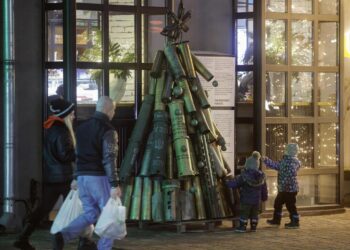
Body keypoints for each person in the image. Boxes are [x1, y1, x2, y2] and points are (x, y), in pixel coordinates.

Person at [53, 96, 122, 250]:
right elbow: (109, 158)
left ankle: (63, 235)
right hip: (99, 178)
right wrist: (114, 184)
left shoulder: (81, 128)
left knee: (91, 213)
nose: (114, 113)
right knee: (109, 215)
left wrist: (76, 176)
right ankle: (104, 248)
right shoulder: (108, 130)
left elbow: (78, 154)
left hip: (83, 178)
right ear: (109, 110)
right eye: (114, 110)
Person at [13, 99, 76, 250]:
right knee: (78, 208)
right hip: (64, 177)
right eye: (72, 113)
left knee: (42, 209)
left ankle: (23, 238)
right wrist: (78, 153)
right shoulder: (62, 130)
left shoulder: (51, 127)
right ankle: (83, 241)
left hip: (51, 176)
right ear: (65, 114)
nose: (74, 116)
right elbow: (64, 155)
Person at [226, 151, 268, 233]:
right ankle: (253, 227)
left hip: (246, 200)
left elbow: (236, 183)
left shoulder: (244, 176)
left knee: (244, 213)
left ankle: (242, 227)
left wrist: (227, 183)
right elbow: (264, 188)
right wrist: (264, 197)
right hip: (256, 201)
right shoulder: (261, 177)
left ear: (247, 165)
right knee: (254, 214)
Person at [263, 143, 301, 229]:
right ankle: (276, 220)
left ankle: (295, 221)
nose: (285, 150)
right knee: (278, 203)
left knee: (290, 205)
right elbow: (279, 166)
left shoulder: (290, 161)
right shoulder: (290, 160)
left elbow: (277, 166)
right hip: (285, 188)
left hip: (289, 189)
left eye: (286, 149)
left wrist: (266, 160)